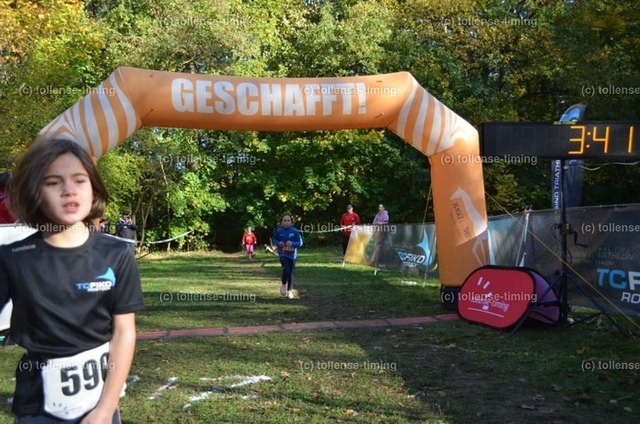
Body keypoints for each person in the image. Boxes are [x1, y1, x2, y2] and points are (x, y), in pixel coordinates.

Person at [0, 138, 144, 423]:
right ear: (34, 192)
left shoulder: (117, 255)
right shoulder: (13, 257)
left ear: (93, 188)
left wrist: (106, 409)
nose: (69, 190)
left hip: (100, 409)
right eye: (53, 182)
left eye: (79, 180)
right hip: (37, 409)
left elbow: (124, 333)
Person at [271, 213, 303, 299]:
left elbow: (300, 243)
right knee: (287, 269)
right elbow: (274, 239)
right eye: (284, 220)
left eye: (288, 220)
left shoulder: (295, 231)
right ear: (281, 222)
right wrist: (279, 243)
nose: (286, 222)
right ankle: (284, 284)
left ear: (291, 222)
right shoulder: (279, 231)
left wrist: (292, 244)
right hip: (283, 254)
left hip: (292, 255)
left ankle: (290, 291)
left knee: (291, 272)